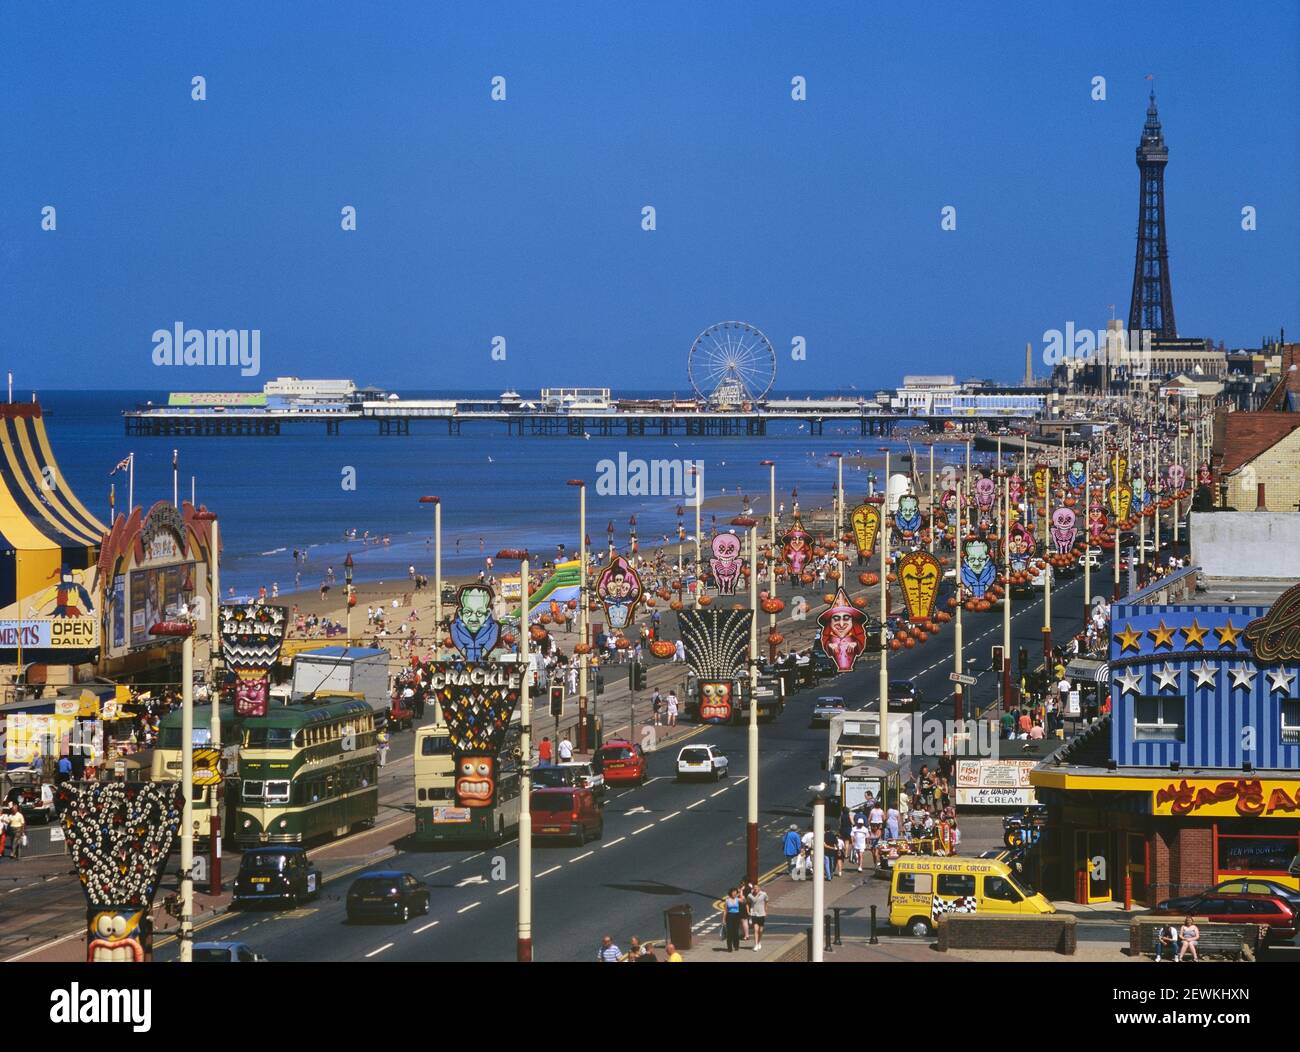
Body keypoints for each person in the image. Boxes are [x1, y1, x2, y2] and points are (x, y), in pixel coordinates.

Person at [747, 882, 768, 951]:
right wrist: (748, 911)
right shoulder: (750, 895)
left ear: (759, 888)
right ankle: (756, 944)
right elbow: (747, 903)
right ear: (753, 889)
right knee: (756, 930)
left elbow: (766, 901)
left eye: (757, 888)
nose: (755, 889)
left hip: (761, 913)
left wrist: (765, 910)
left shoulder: (763, 894)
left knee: (761, 930)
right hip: (754, 914)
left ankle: (759, 942)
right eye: (754, 888)